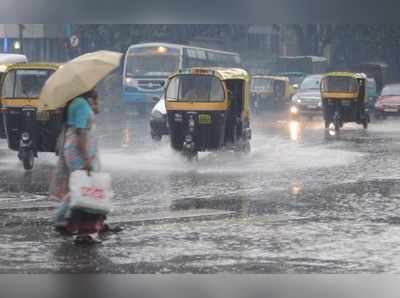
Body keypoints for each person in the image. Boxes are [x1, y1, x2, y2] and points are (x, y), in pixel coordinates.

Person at [50, 89, 104, 241]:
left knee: (81, 187)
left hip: (75, 149)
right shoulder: (80, 104)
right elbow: (80, 133)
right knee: (81, 188)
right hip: (78, 152)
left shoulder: (78, 103)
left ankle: (79, 223)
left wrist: (94, 106)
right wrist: (86, 158)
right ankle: (62, 218)